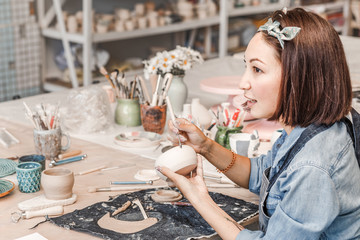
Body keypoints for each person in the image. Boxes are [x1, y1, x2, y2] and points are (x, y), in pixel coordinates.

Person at [156, 8, 360, 240]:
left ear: (298, 76)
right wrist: (205, 146)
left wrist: (200, 198)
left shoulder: (312, 167)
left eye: (257, 69)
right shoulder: (310, 128)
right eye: (246, 67)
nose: (243, 83)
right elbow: (263, 175)